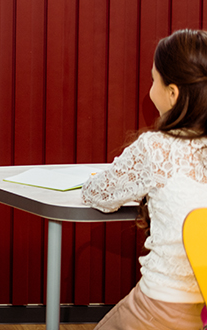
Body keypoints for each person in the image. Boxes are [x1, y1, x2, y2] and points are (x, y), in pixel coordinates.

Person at [81, 28, 207, 330]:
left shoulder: (156, 149)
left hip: (158, 309)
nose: (150, 89)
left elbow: (97, 193)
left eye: (154, 80)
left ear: (173, 94)